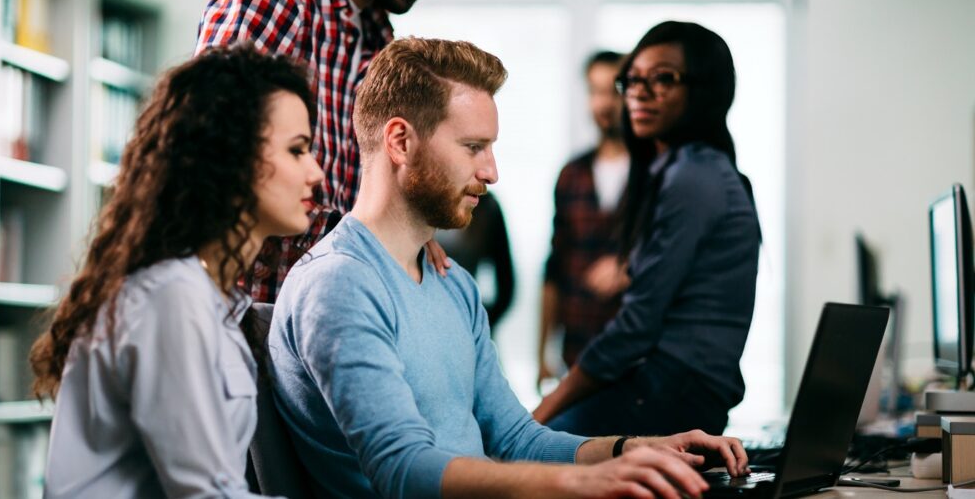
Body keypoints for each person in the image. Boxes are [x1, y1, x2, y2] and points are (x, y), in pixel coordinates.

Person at [270, 37, 749, 499]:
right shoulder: (339, 284)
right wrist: (584, 485)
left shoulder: (453, 285)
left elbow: (519, 440)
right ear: (400, 141)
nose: (491, 172)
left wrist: (634, 449)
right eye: (473, 147)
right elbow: (403, 470)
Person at [30, 44, 324, 498]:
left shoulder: (216, 301)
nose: (316, 173)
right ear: (230, 156)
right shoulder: (172, 297)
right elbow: (205, 493)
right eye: (298, 151)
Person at [195, 0, 476, 303]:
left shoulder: (380, 39)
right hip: (245, 310)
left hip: (325, 308)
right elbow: (217, 158)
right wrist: (374, 237)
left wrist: (410, 230)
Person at [533, 21, 761, 437]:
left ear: (704, 89)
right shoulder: (674, 170)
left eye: (663, 79)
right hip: (660, 387)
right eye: (632, 81)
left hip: (668, 393)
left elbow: (637, 324)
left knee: (522, 454)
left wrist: (542, 412)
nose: (639, 92)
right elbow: (555, 267)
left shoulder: (693, 175)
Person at [538, 50, 631, 389]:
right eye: (595, 91)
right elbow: (554, 267)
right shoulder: (572, 174)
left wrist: (630, 266)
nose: (604, 104)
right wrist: (541, 355)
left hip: (634, 358)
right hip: (576, 353)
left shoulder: (659, 175)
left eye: (614, 91)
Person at [435, 190, 515, 328]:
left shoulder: (486, 207)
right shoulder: (417, 201)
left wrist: (477, 326)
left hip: (466, 327)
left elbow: (506, 286)